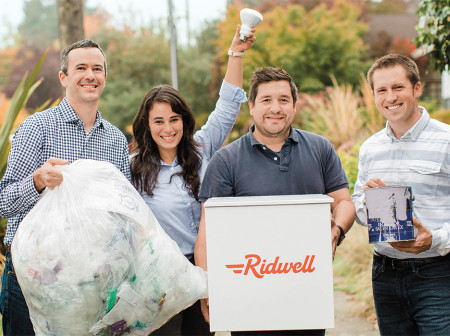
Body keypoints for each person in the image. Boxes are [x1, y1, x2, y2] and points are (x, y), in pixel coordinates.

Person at [194, 66, 355, 336]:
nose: (275, 108)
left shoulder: (320, 148)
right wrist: (208, 289)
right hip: (249, 302)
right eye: (267, 100)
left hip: (307, 298)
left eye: (283, 100)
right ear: (252, 106)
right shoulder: (226, 160)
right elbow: (207, 235)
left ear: (294, 105)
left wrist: (336, 231)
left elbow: (344, 202)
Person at [130, 25, 256, 336]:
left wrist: (236, 53)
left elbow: (227, 107)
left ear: (184, 121)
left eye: (174, 119)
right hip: (159, 277)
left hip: (205, 270)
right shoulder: (132, 169)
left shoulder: (202, 148)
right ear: (147, 125)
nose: (168, 128)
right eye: (158, 121)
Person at [0, 39, 131, 335]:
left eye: (97, 69)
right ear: (64, 77)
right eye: (81, 68)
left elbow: (123, 213)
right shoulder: (36, 128)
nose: (90, 75)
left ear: (105, 78)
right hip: (30, 276)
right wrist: (37, 181)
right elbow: (2, 201)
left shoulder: (115, 141)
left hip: (88, 282)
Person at [352, 54, 450, 335]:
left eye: (398, 87)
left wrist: (436, 238)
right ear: (373, 95)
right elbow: (359, 207)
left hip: (438, 274)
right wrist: (366, 204)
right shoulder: (370, 148)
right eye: (381, 90)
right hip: (384, 275)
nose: (390, 97)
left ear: (416, 88)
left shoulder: (447, 140)